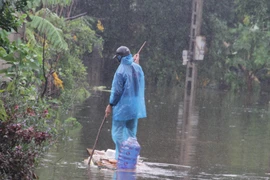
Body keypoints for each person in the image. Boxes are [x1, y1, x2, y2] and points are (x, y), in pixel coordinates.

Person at [105, 46, 147, 160]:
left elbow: (117, 92)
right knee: (131, 134)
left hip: (123, 107)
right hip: (135, 107)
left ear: (120, 57)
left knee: (118, 134)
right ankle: (131, 157)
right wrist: (136, 63)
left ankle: (121, 157)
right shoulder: (137, 68)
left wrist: (110, 105)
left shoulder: (120, 71)